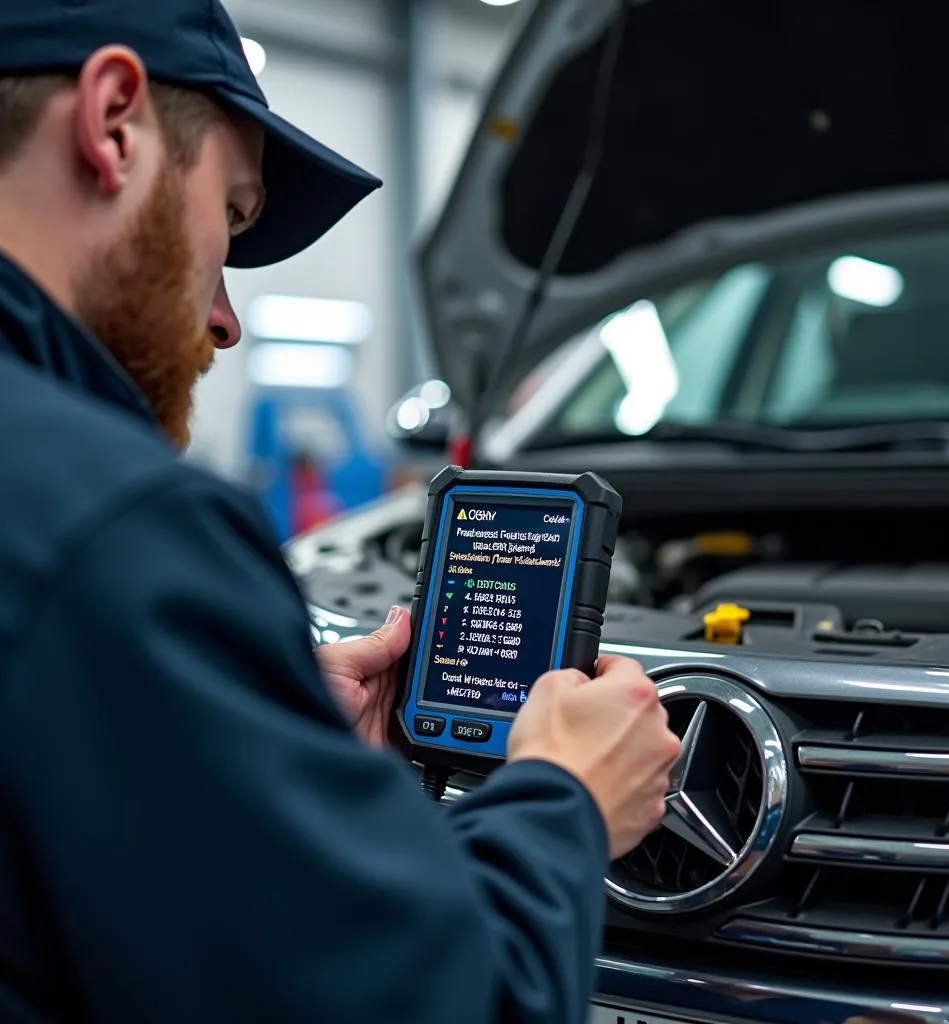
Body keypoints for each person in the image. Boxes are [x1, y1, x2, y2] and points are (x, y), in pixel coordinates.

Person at [0, 1, 681, 1022]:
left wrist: (255, 740)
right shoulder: (117, 530)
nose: (225, 317)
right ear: (112, 121)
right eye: (229, 217)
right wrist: (564, 800)